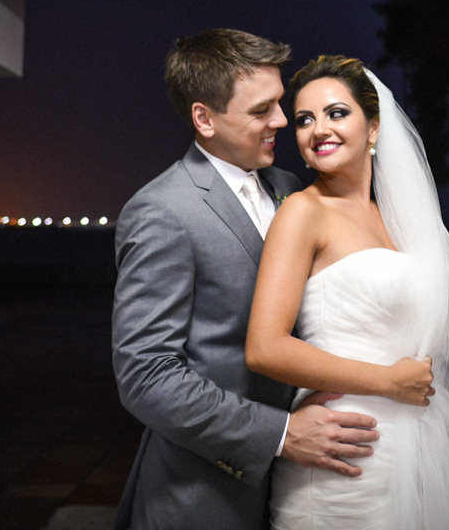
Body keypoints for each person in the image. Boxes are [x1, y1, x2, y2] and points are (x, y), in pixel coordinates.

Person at [111, 30, 381, 530]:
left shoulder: (286, 187)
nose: (282, 120)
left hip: (302, 483)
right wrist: (279, 435)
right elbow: (146, 376)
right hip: (202, 491)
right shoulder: (162, 211)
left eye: (280, 103)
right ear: (204, 118)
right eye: (262, 111)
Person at [246, 55, 449, 529]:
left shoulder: (399, 219)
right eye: (304, 120)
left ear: (374, 128)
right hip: (343, 450)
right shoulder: (302, 212)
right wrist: (387, 382)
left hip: (415, 447)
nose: (319, 129)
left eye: (337, 113)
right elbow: (264, 347)